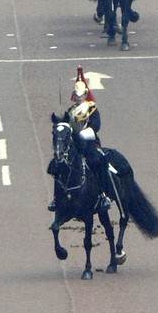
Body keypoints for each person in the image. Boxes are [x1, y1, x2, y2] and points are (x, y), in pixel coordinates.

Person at [47, 71, 109, 211]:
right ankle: (56, 198)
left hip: (89, 144)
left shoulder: (92, 109)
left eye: (80, 96)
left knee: (98, 163)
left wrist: (81, 134)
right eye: (76, 95)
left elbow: (95, 126)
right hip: (73, 146)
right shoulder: (70, 111)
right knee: (56, 167)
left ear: (85, 95)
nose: (78, 98)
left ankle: (103, 195)